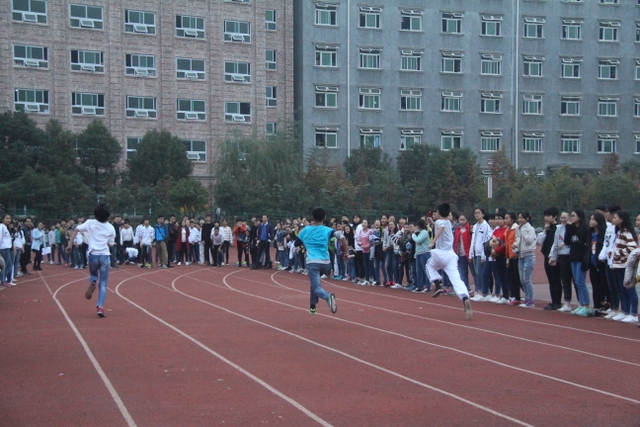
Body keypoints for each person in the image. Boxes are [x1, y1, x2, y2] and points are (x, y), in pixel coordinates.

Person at [67, 205, 116, 318]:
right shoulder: (111, 228)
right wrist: (110, 242)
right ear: (107, 216)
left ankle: (93, 281)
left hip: (93, 255)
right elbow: (111, 244)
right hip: (104, 256)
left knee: (94, 275)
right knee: (103, 283)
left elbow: (76, 230)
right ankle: (100, 307)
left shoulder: (90, 223)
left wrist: (70, 244)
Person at [294, 207, 345, 315]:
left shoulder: (305, 230)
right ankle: (312, 305)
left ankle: (328, 296)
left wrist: (306, 241)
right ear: (324, 217)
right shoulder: (328, 230)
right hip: (326, 263)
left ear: (312, 217)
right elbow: (341, 236)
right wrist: (347, 252)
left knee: (317, 287)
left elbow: (296, 243)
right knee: (314, 282)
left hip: (312, 262)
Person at [428, 203, 473, 320]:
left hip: (440, 254)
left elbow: (441, 227)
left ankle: (437, 284)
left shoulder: (440, 222)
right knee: (456, 279)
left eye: (436, 212)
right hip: (451, 255)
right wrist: (432, 223)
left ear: (439, 212)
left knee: (429, 266)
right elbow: (441, 226)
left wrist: (433, 241)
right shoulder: (448, 222)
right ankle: (464, 297)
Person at [513, 212, 537, 308]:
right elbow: (518, 241)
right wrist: (515, 247)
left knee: (527, 279)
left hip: (529, 255)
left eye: (522, 218)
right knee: (522, 279)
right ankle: (527, 298)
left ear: (527, 219)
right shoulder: (518, 229)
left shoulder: (530, 229)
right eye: (519, 218)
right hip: (521, 256)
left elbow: (529, 240)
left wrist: (523, 231)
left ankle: (530, 300)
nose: (520, 220)